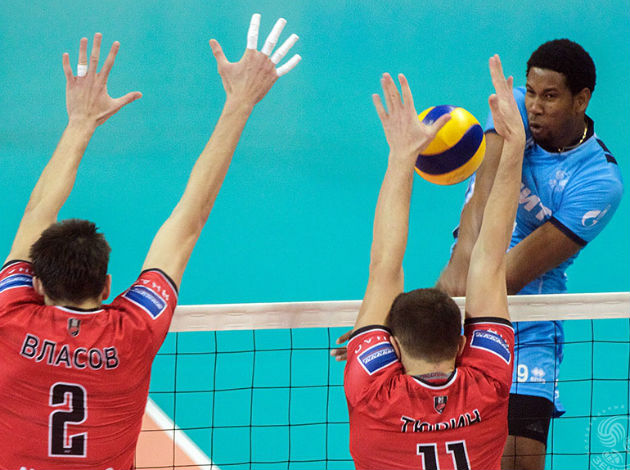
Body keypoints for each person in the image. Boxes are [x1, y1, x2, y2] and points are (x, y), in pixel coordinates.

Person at [0, 14, 300, 468]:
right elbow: (189, 219)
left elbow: (36, 212)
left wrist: (80, 123)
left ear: (36, 285)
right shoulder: (134, 331)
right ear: (107, 287)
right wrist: (239, 102)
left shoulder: (11, 316)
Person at [435, 39, 624, 470]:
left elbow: (509, 275)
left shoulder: (598, 181)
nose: (535, 106)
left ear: (582, 99)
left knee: (518, 462)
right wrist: (456, 270)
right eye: (532, 92)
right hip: (462, 297)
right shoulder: (514, 105)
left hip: (529, 320)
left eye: (550, 96)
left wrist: (440, 304)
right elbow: (481, 201)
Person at [344, 55, 524, 470]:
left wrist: (401, 155)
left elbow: (385, 265)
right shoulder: (488, 385)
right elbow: (490, 261)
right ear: (462, 346)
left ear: (393, 347)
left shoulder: (373, 394)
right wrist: (515, 147)